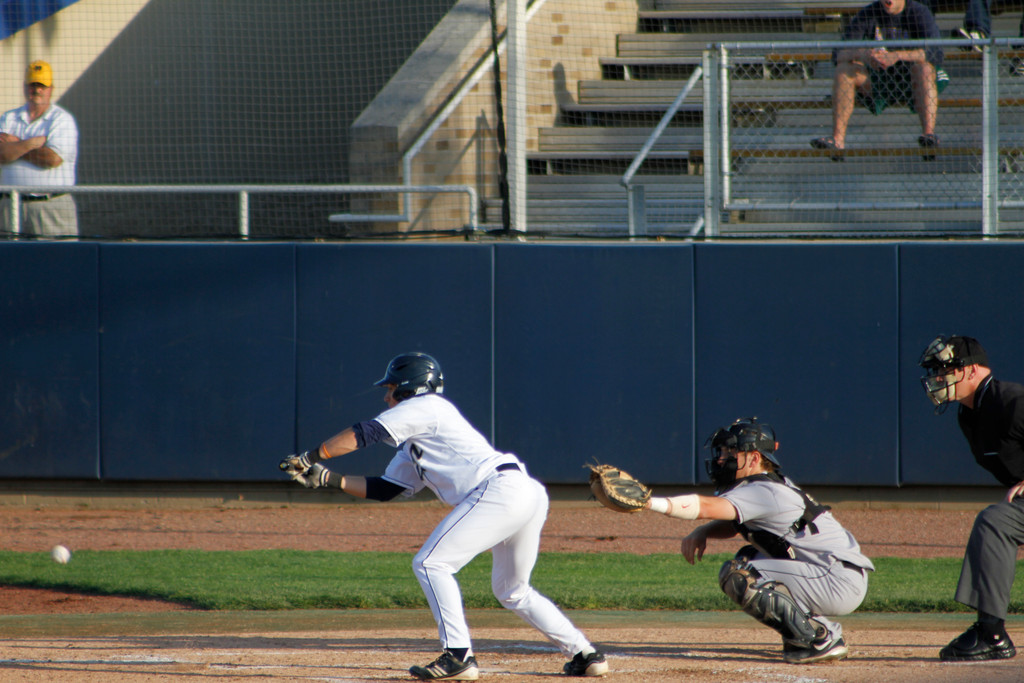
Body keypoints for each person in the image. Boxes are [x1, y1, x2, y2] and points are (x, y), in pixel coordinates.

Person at [279, 352, 609, 680]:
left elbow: (364, 433)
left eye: (391, 387)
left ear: (409, 388)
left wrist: (308, 457)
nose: (386, 395)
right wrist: (327, 478)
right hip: (522, 493)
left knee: (431, 563)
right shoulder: (416, 437)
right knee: (512, 590)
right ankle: (585, 655)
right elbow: (387, 489)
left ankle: (459, 655)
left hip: (499, 490)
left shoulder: (424, 407)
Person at [640, 417, 874, 664]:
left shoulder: (762, 491)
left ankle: (819, 638)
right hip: (831, 573)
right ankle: (810, 630)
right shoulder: (764, 485)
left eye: (731, 451)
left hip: (835, 580)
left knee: (741, 576)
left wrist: (649, 503)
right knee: (749, 557)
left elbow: (706, 506)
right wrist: (704, 532)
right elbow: (734, 521)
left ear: (754, 458)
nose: (722, 458)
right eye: (722, 451)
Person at [919, 335, 1024, 661]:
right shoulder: (970, 415)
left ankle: (991, 634)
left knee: (994, 522)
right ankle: (989, 631)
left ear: (972, 370)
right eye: (935, 372)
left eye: (944, 370)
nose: (938, 379)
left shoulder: (1012, 402)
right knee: (998, 520)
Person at [811, 0, 948, 161]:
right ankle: (837, 140)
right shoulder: (868, 13)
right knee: (844, 70)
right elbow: (838, 54)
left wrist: (897, 56)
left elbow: (936, 53)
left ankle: (928, 136)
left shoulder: (919, 12)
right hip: (878, 79)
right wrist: (864, 54)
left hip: (911, 81)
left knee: (924, 68)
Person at [0, 60, 79, 237]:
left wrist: (16, 145)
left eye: (42, 85)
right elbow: (1, 154)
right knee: (11, 262)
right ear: (25, 87)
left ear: (51, 88)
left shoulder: (61, 120)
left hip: (50, 206)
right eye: (32, 85)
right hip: (11, 206)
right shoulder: (9, 118)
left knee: (56, 260)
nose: (37, 90)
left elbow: (52, 159)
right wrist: (30, 143)